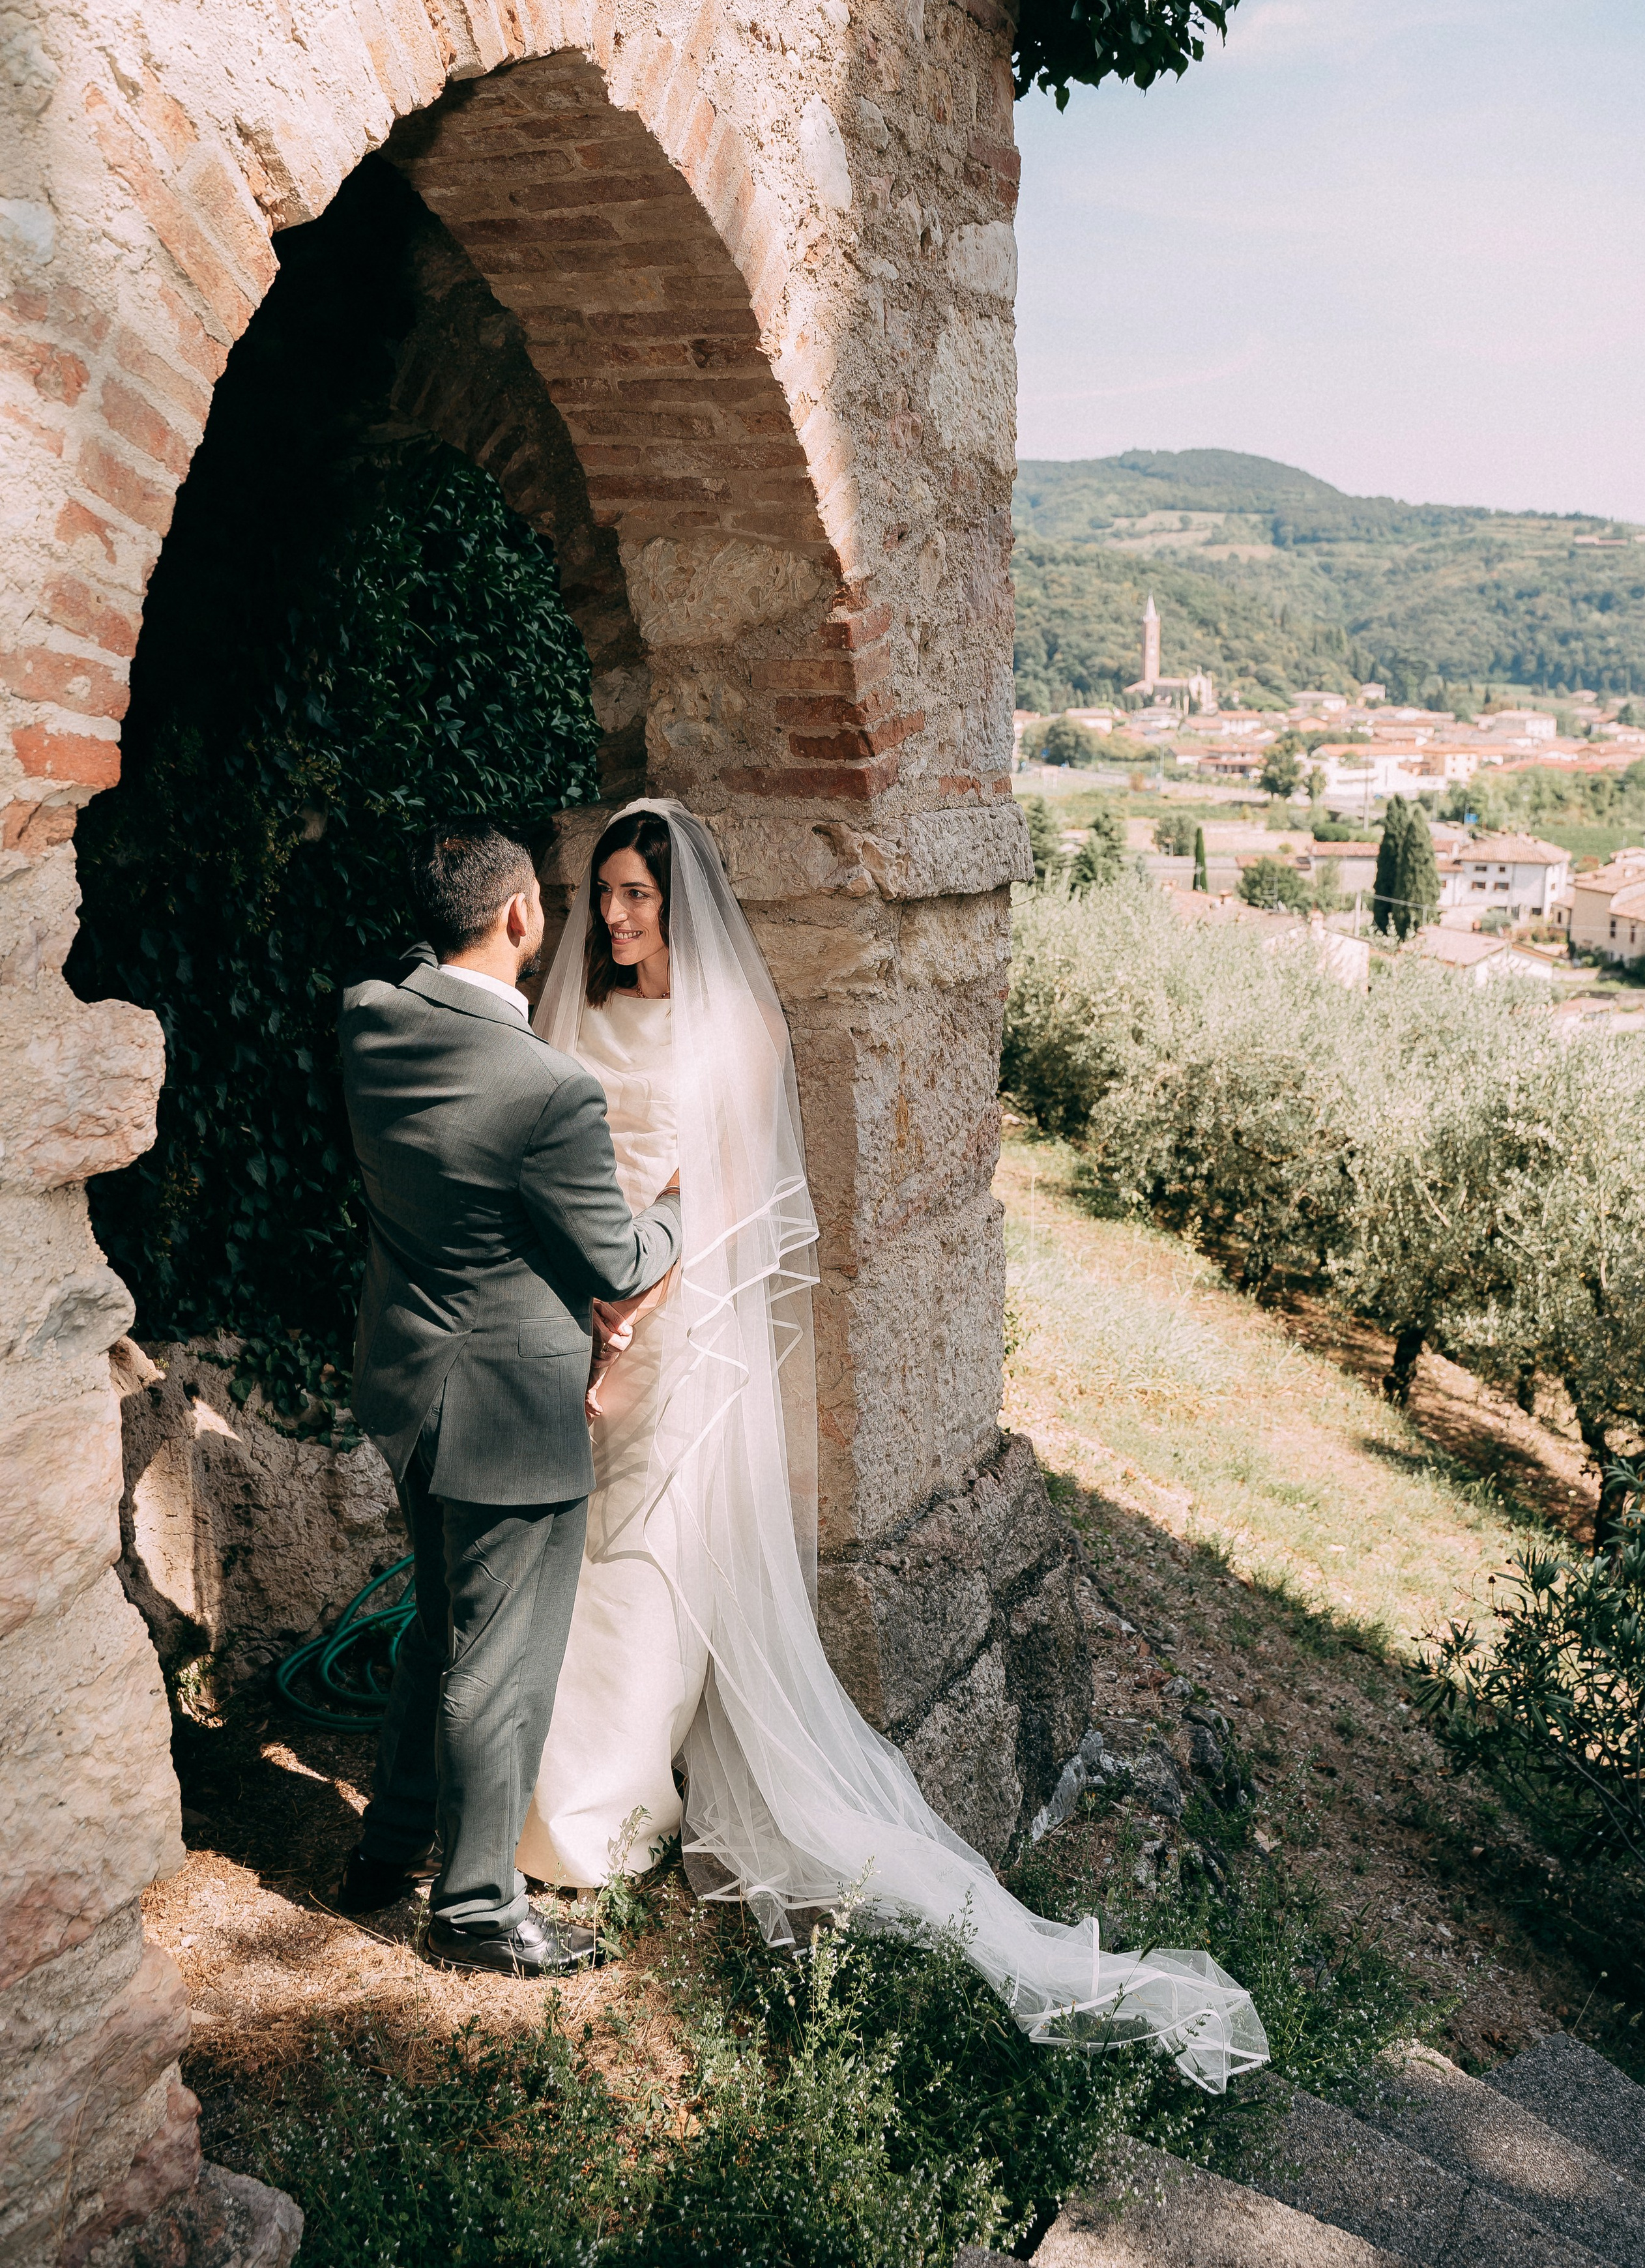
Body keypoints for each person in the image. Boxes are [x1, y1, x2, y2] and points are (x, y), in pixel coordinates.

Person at [516, 800, 1269, 2089]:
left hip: (677, 1328)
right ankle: (549, 1789)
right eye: (610, 893)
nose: (623, 916)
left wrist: (633, 1316)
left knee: (640, 1564)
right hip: (574, 1310)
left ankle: (597, 1820)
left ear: (684, 903)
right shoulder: (580, 1014)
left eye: (642, 895)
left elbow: (728, 1202)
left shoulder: (739, 1029)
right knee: (576, 1558)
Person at [334, 819, 682, 1977]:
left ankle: (385, 1851)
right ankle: (477, 1909)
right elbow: (622, 1266)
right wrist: (684, 1198)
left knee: (440, 1628)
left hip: (410, 1382)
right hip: (510, 1412)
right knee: (502, 1668)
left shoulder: (369, 1015)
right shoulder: (550, 1090)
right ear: (523, 916)